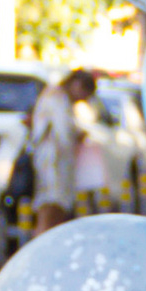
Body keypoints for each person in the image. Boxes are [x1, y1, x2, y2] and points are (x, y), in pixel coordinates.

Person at [29, 65, 98, 230]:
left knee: (54, 209)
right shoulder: (57, 98)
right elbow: (64, 133)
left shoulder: (55, 96)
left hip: (53, 160)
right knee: (51, 207)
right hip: (53, 161)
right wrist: (77, 136)